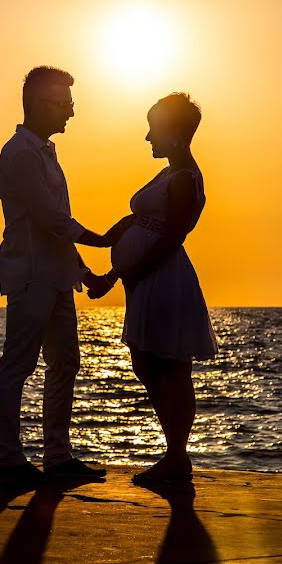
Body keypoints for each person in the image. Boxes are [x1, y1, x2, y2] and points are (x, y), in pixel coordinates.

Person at [0, 66, 113, 488]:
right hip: (30, 277)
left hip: (57, 277)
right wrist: (100, 240)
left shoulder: (43, 152)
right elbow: (50, 219)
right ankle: (10, 460)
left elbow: (55, 225)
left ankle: (57, 457)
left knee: (66, 363)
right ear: (37, 103)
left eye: (71, 104)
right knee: (18, 365)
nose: (71, 113)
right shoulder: (20, 154)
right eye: (64, 104)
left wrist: (81, 269)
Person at [93, 93, 218, 484]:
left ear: (175, 134)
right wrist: (99, 250)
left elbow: (171, 237)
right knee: (148, 363)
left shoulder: (184, 178)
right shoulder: (168, 174)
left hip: (163, 279)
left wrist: (133, 273)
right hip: (146, 279)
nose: (148, 137)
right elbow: (137, 222)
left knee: (171, 366)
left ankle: (177, 458)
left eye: (154, 129)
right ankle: (174, 455)